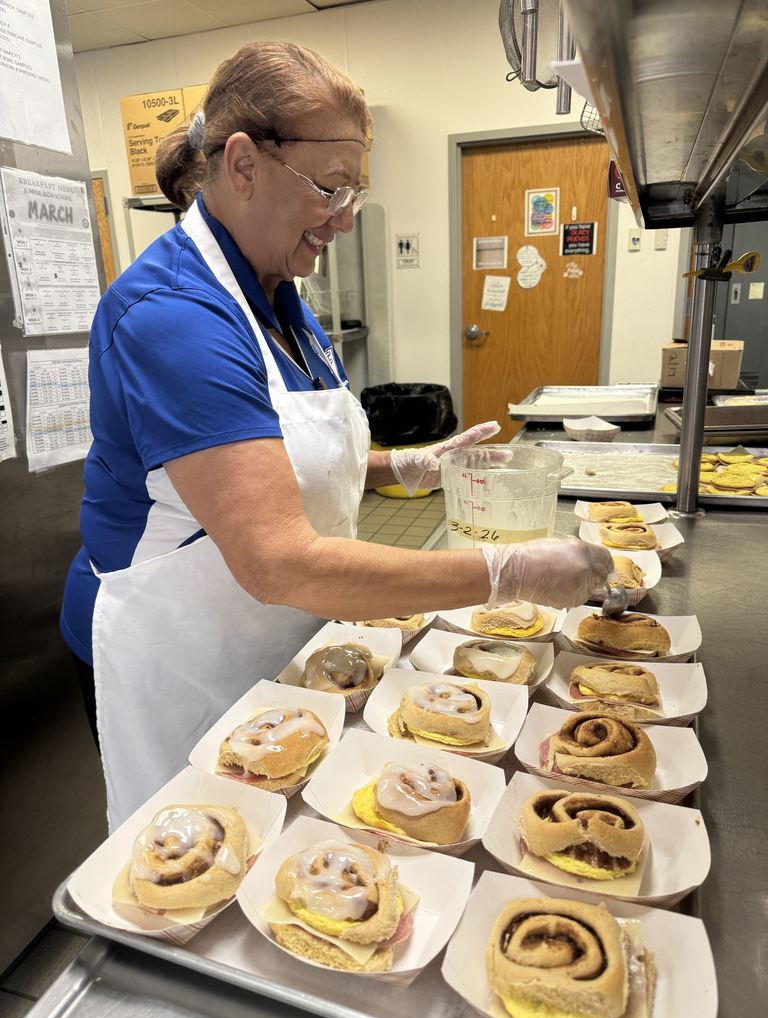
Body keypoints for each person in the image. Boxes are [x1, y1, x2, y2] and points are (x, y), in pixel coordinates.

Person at [60, 41, 611, 830]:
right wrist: (505, 571)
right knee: (204, 852)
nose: (346, 219)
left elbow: (280, 451)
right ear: (243, 165)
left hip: (271, 631)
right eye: (330, 188)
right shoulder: (173, 316)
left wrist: (401, 466)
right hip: (177, 651)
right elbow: (276, 556)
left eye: (356, 191)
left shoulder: (279, 293)